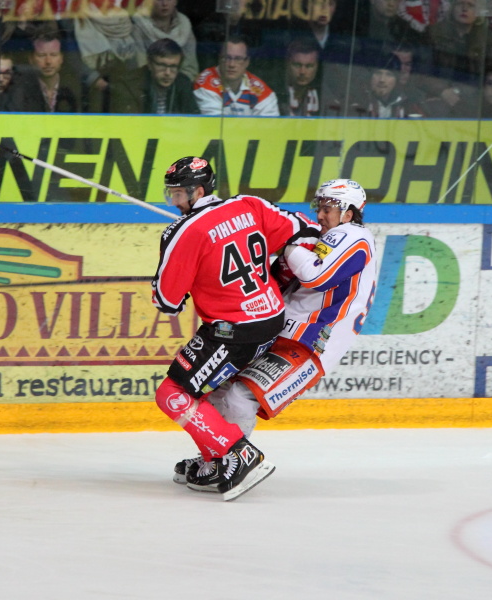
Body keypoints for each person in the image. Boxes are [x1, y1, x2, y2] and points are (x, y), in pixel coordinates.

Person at [176, 179, 377, 487]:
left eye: (328, 209)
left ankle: (236, 462)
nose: (321, 215)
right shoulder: (320, 239)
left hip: (311, 342)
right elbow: (276, 279)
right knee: (218, 389)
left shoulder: (354, 236)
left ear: (349, 213)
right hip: (279, 331)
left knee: (241, 398)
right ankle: (215, 456)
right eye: (319, 208)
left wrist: (293, 242)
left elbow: (315, 276)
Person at [151, 156, 320, 501]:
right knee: (209, 393)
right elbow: (304, 230)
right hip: (272, 320)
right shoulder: (250, 205)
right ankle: (214, 458)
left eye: (179, 195)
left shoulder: (183, 231)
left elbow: (166, 302)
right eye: (171, 196)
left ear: (198, 191)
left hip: (233, 331)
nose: (176, 202)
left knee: (173, 394)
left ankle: (238, 454)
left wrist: (188, 246)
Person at [193, 35, 279, 116]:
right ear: (219, 59)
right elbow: (215, 126)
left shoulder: (261, 91)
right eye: (227, 57)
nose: (231, 64)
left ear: (247, 62)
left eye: (238, 59)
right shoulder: (205, 83)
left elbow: (270, 126)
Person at [108, 37, 199, 114]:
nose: (167, 72)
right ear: (150, 64)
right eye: (162, 65)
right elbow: (128, 125)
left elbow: (193, 120)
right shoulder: (128, 84)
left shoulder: (183, 82)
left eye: (173, 66)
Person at [131, 0, 199, 81]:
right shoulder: (138, 26)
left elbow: (190, 69)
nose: (164, 4)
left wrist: (178, 86)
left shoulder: (184, 26)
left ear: (175, 2)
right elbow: (140, 68)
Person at [13, 32, 81, 113]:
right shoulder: (20, 91)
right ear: (31, 59)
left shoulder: (75, 89)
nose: (48, 61)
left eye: (53, 55)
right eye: (41, 55)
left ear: (62, 58)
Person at [274, 38, 322, 116]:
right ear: (287, 64)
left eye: (309, 66)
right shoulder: (275, 95)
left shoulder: (324, 96)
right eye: (297, 65)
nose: (302, 72)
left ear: (317, 67)